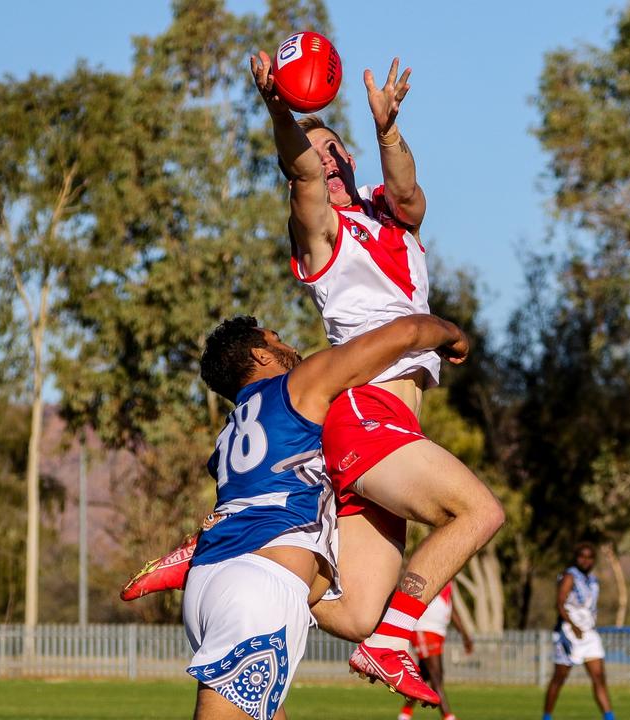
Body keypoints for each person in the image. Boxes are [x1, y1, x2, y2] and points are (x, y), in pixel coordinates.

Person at [125, 50, 505, 704]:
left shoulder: (390, 215)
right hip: (363, 413)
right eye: (314, 150)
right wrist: (282, 112)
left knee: (356, 611)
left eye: (333, 151)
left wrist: (388, 132)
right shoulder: (322, 235)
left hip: (392, 423)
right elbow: (300, 174)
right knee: (478, 511)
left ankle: (220, 552)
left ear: (353, 165)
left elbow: (409, 191)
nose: (322, 159)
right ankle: (391, 644)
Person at [184, 312, 469, 720]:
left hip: (217, 582)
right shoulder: (294, 388)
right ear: (259, 355)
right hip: (257, 588)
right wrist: (452, 334)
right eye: (277, 339)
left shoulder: (229, 431)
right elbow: (405, 333)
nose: (291, 347)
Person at [542, 543, 615, 720]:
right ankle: (547, 717)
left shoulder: (592, 580)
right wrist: (573, 626)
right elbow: (559, 604)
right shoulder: (570, 576)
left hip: (588, 634)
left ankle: (609, 717)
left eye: (589, 557)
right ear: (576, 557)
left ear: (594, 560)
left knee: (599, 677)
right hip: (568, 633)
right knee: (559, 678)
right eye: (582, 556)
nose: (585, 560)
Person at [397, 581, 474, 720]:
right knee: (436, 675)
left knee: (425, 674)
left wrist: (464, 635)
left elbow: (452, 609)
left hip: (438, 631)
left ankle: (405, 713)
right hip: (424, 627)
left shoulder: (449, 579)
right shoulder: (432, 568)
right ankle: (448, 716)